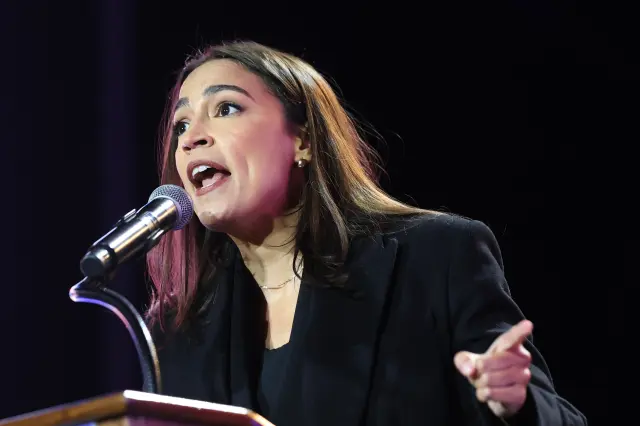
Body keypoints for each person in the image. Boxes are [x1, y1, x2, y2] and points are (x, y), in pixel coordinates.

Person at [145, 40, 587, 426]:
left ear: (303, 141)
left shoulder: (434, 258)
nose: (190, 138)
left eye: (226, 108)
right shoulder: (177, 331)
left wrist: (516, 404)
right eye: (181, 124)